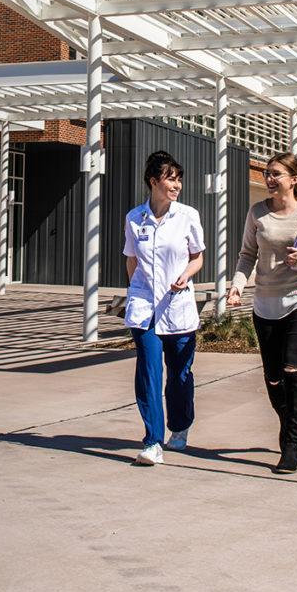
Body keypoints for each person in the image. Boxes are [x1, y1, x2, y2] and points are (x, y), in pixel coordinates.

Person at [228, 152, 297, 474]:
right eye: (267, 173)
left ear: (294, 179)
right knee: (274, 378)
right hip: (266, 302)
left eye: (277, 173)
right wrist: (237, 286)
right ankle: (291, 417)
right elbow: (247, 255)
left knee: (293, 367)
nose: (270, 178)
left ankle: (291, 446)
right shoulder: (257, 213)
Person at [123, 151, 205, 466]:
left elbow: (197, 256)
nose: (177, 185)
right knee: (149, 372)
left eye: (178, 179)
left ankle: (180, 427)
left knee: (180, 374)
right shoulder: (134, 218)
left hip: (178, 304)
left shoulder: (188, 216)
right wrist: (135, 291)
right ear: (154, 181)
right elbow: (132, 258)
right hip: (144, 307)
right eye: (171, 179)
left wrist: (186, 275)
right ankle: (153, 441)